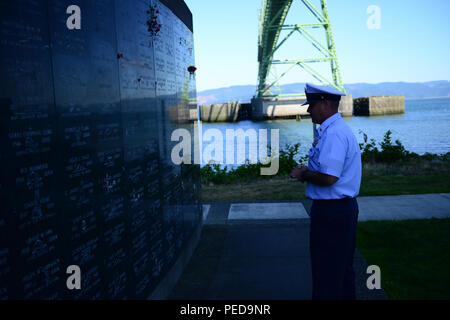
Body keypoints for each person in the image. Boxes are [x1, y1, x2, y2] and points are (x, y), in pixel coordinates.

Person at [290, 83, 362, 300]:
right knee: (340, 272)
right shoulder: (334, 130)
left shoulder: (333, 135)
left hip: (332, 213)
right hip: (339, 210)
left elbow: (330, 178)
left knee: (327, 274)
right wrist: (310, 172)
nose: (308, 110)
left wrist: (303, 175)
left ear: (324, 103)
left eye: (311, 104)